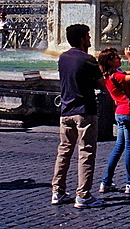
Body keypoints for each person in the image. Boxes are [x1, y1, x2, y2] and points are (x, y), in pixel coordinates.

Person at [51, 24, 103, 208]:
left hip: (65, 111)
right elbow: (101, 83)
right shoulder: (88, 59)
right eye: (88, 36)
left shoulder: (62, 58)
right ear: (82, 39)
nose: (90, 39)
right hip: (84, 111)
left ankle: (57, 192)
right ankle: (83, 195)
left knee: (64, 152)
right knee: (86, 152)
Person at [97, 46, 130, 195]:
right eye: (117, 57)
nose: (120, 59)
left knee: (119, 147)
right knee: (129, 149)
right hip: (128, 112)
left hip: (119, 113)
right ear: (111, 62)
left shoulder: (110, 76)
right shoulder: (117, 76)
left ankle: (106, 181)